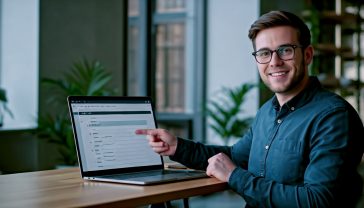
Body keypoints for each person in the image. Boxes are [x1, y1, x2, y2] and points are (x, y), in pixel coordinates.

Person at [135, 10, 364, 207]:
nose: (274, 62)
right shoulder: (267, 111)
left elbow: (317, 200)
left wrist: (235, 176)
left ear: (307, 55)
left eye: (285, 50)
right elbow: (236, 156)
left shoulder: (333, 117)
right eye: (264, 53)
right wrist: (177, 146)